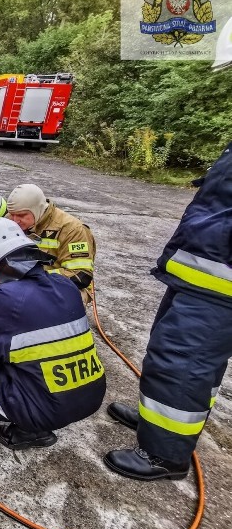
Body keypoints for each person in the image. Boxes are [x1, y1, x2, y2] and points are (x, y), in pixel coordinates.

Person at [104, 142, 232, 480]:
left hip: (221, 279)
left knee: (184, 364)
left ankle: (164, 455)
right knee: (165, 353)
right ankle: (156, 424)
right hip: (203, 267)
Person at [0, 218, 106, 449]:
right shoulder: (66, 287)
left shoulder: (5, 299)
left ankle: (27, 429)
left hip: (46, 410)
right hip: (92, 396)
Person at [6, 183, 96, 304]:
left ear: (37, 210)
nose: (15, 220)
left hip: (65, 286)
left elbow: (80, 275)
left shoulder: (73, 229)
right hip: (19, 282)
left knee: (35, 306)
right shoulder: (9, 220)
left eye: (21, 215)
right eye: (12, 214)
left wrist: (32, 278)